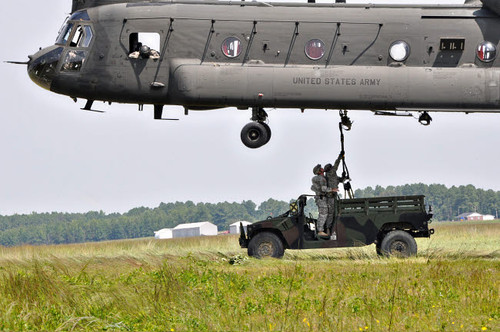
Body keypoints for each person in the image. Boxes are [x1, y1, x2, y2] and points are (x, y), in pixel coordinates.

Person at [311, 164, 338, 238]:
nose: (323, 168)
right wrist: (332, 190)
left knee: (327, 213)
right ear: (319, 171)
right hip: (321, 198)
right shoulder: (320, 178)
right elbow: (323, 188)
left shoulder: (322, 178)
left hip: (323, 198)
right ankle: (320, 231)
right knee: (323, 214)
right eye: (321, 168)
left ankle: (325, 229)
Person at [324, 152, 344, 235]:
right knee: (331, 213)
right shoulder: (331, 172)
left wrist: (343, 177)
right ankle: (328, 228)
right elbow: (337, 163)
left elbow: (338, 180)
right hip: (331, 197)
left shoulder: (331, 175)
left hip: (333, 196)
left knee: (333, 213)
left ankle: (330, 228)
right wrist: (340, 156)